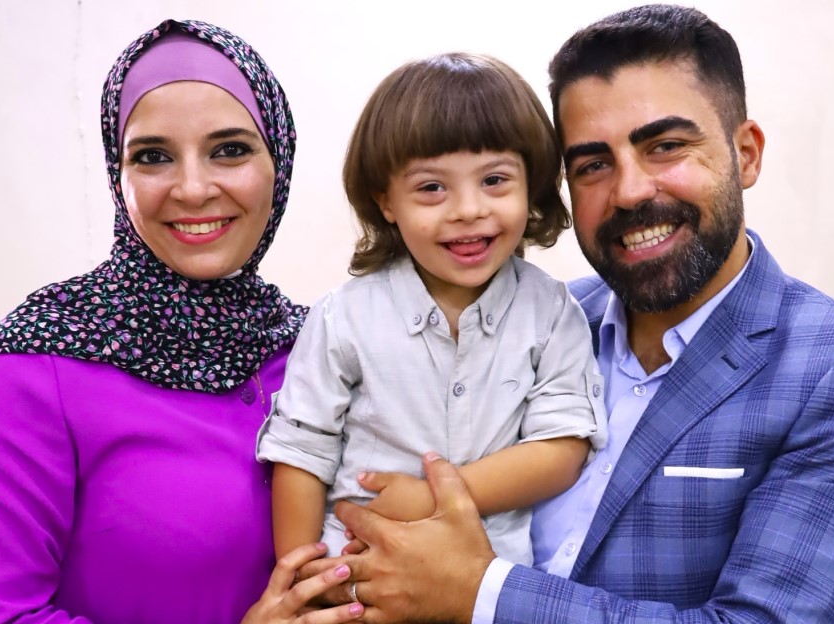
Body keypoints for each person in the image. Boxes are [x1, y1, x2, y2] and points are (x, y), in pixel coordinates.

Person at [324, 5, 834, 623]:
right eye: (593, 164)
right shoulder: (535, 322)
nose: (631, 191)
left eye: (665, 146)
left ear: (745, 154)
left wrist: (480, 593)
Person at [0, 19, 362, 624]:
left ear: (279, 162)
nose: (192, 188)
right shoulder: (31, 370)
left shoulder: (327, 344)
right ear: (119, 178)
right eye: (153, 157)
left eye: (230, 149)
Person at [256, 53, 606, 567]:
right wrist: (300, 580)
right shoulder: (342, 318)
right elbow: (303, 453)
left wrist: (437, 495)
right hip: (358, 578)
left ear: (530, 183)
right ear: (387, 202)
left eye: (494, 180)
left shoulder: (551, 312)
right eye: (431, 188)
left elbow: (562, 448)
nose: (467, 209)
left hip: (487, 588)